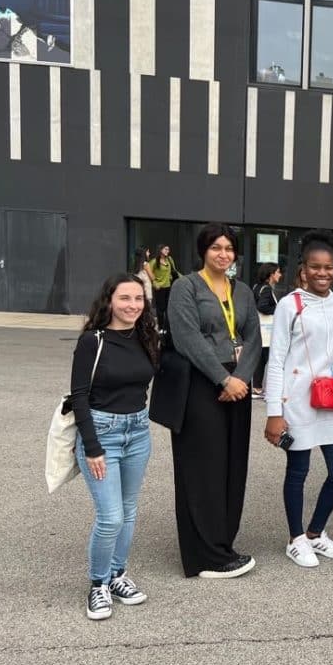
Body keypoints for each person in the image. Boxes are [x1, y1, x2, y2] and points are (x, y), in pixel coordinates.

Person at [167, 223, 261, 579]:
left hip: (238, 385)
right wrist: (223, 379)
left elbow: (253, 338)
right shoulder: (185, 287)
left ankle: (224, 543)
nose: (223, 254)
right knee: (202, 468)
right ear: (203, 251)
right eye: (216, 247)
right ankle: (204, 555)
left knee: (232, 466)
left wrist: (240, 379)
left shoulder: (244, 292)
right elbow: (187, 338)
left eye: (229, 248)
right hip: (202, 384)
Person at [264, 232, 333, 569]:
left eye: (329, 267)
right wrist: (274, 412)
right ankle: (295, 538)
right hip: (298, 402)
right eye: (315, 267)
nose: (322, 273)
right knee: (298, 471)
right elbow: (275, 361)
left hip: (332, 401)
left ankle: (316, 531)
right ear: (304, 268)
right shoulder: (290, 304)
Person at [70, 273, 160, 620]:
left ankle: (118, 574)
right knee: (110, 518)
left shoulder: (145, 337)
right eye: (125, 298)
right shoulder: (93, 340)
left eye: (138, 299)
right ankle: (98, 585)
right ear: (109, 300)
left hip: (138, 431)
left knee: (129, 510)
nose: (133, 306)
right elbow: (79, 394)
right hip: (101, 433)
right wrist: (92, 447)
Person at [252, 262, 282, 399]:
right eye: (278, 272)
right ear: (271, 274)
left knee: (261, 359)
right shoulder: (267, 289)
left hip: (259, 328)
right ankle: (261, 388)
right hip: (266, 330)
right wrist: (278, 310)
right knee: (267, 359)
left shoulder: (257, 287)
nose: (280, 275)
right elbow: (262, 306)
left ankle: (257, 387)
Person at [149, 244, 179, 331]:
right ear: (160, 250)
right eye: (165, 249)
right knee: (160, 309)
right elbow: (148, 271)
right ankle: (161, 327)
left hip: (168, 286)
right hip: (159, 287)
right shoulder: (154, 261)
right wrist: (154, 282)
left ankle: (167, 327)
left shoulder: (169, 259)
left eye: (168, 250)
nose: (167, 251)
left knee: (168, 308)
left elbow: (174, 271)